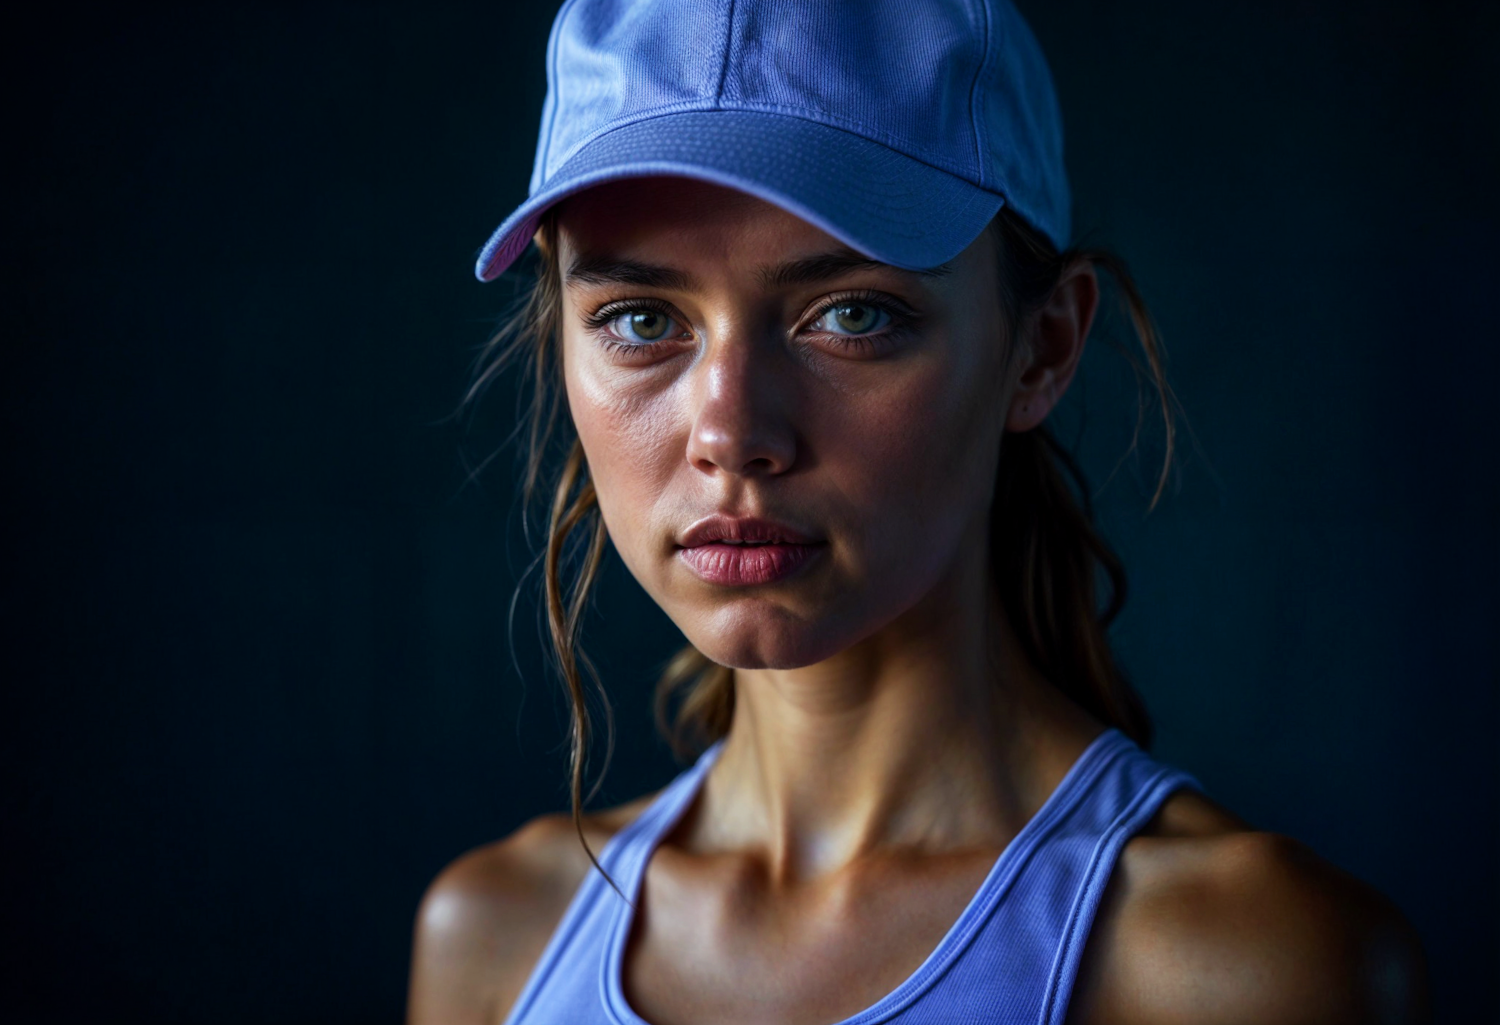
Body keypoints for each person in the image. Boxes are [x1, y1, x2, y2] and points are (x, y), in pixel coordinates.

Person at [409, 1, 1427, 1022]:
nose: (730, 431)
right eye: (640, 320)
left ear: (1043, 348)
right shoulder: (495, 939)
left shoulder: (1242, 968)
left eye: (851, 315)